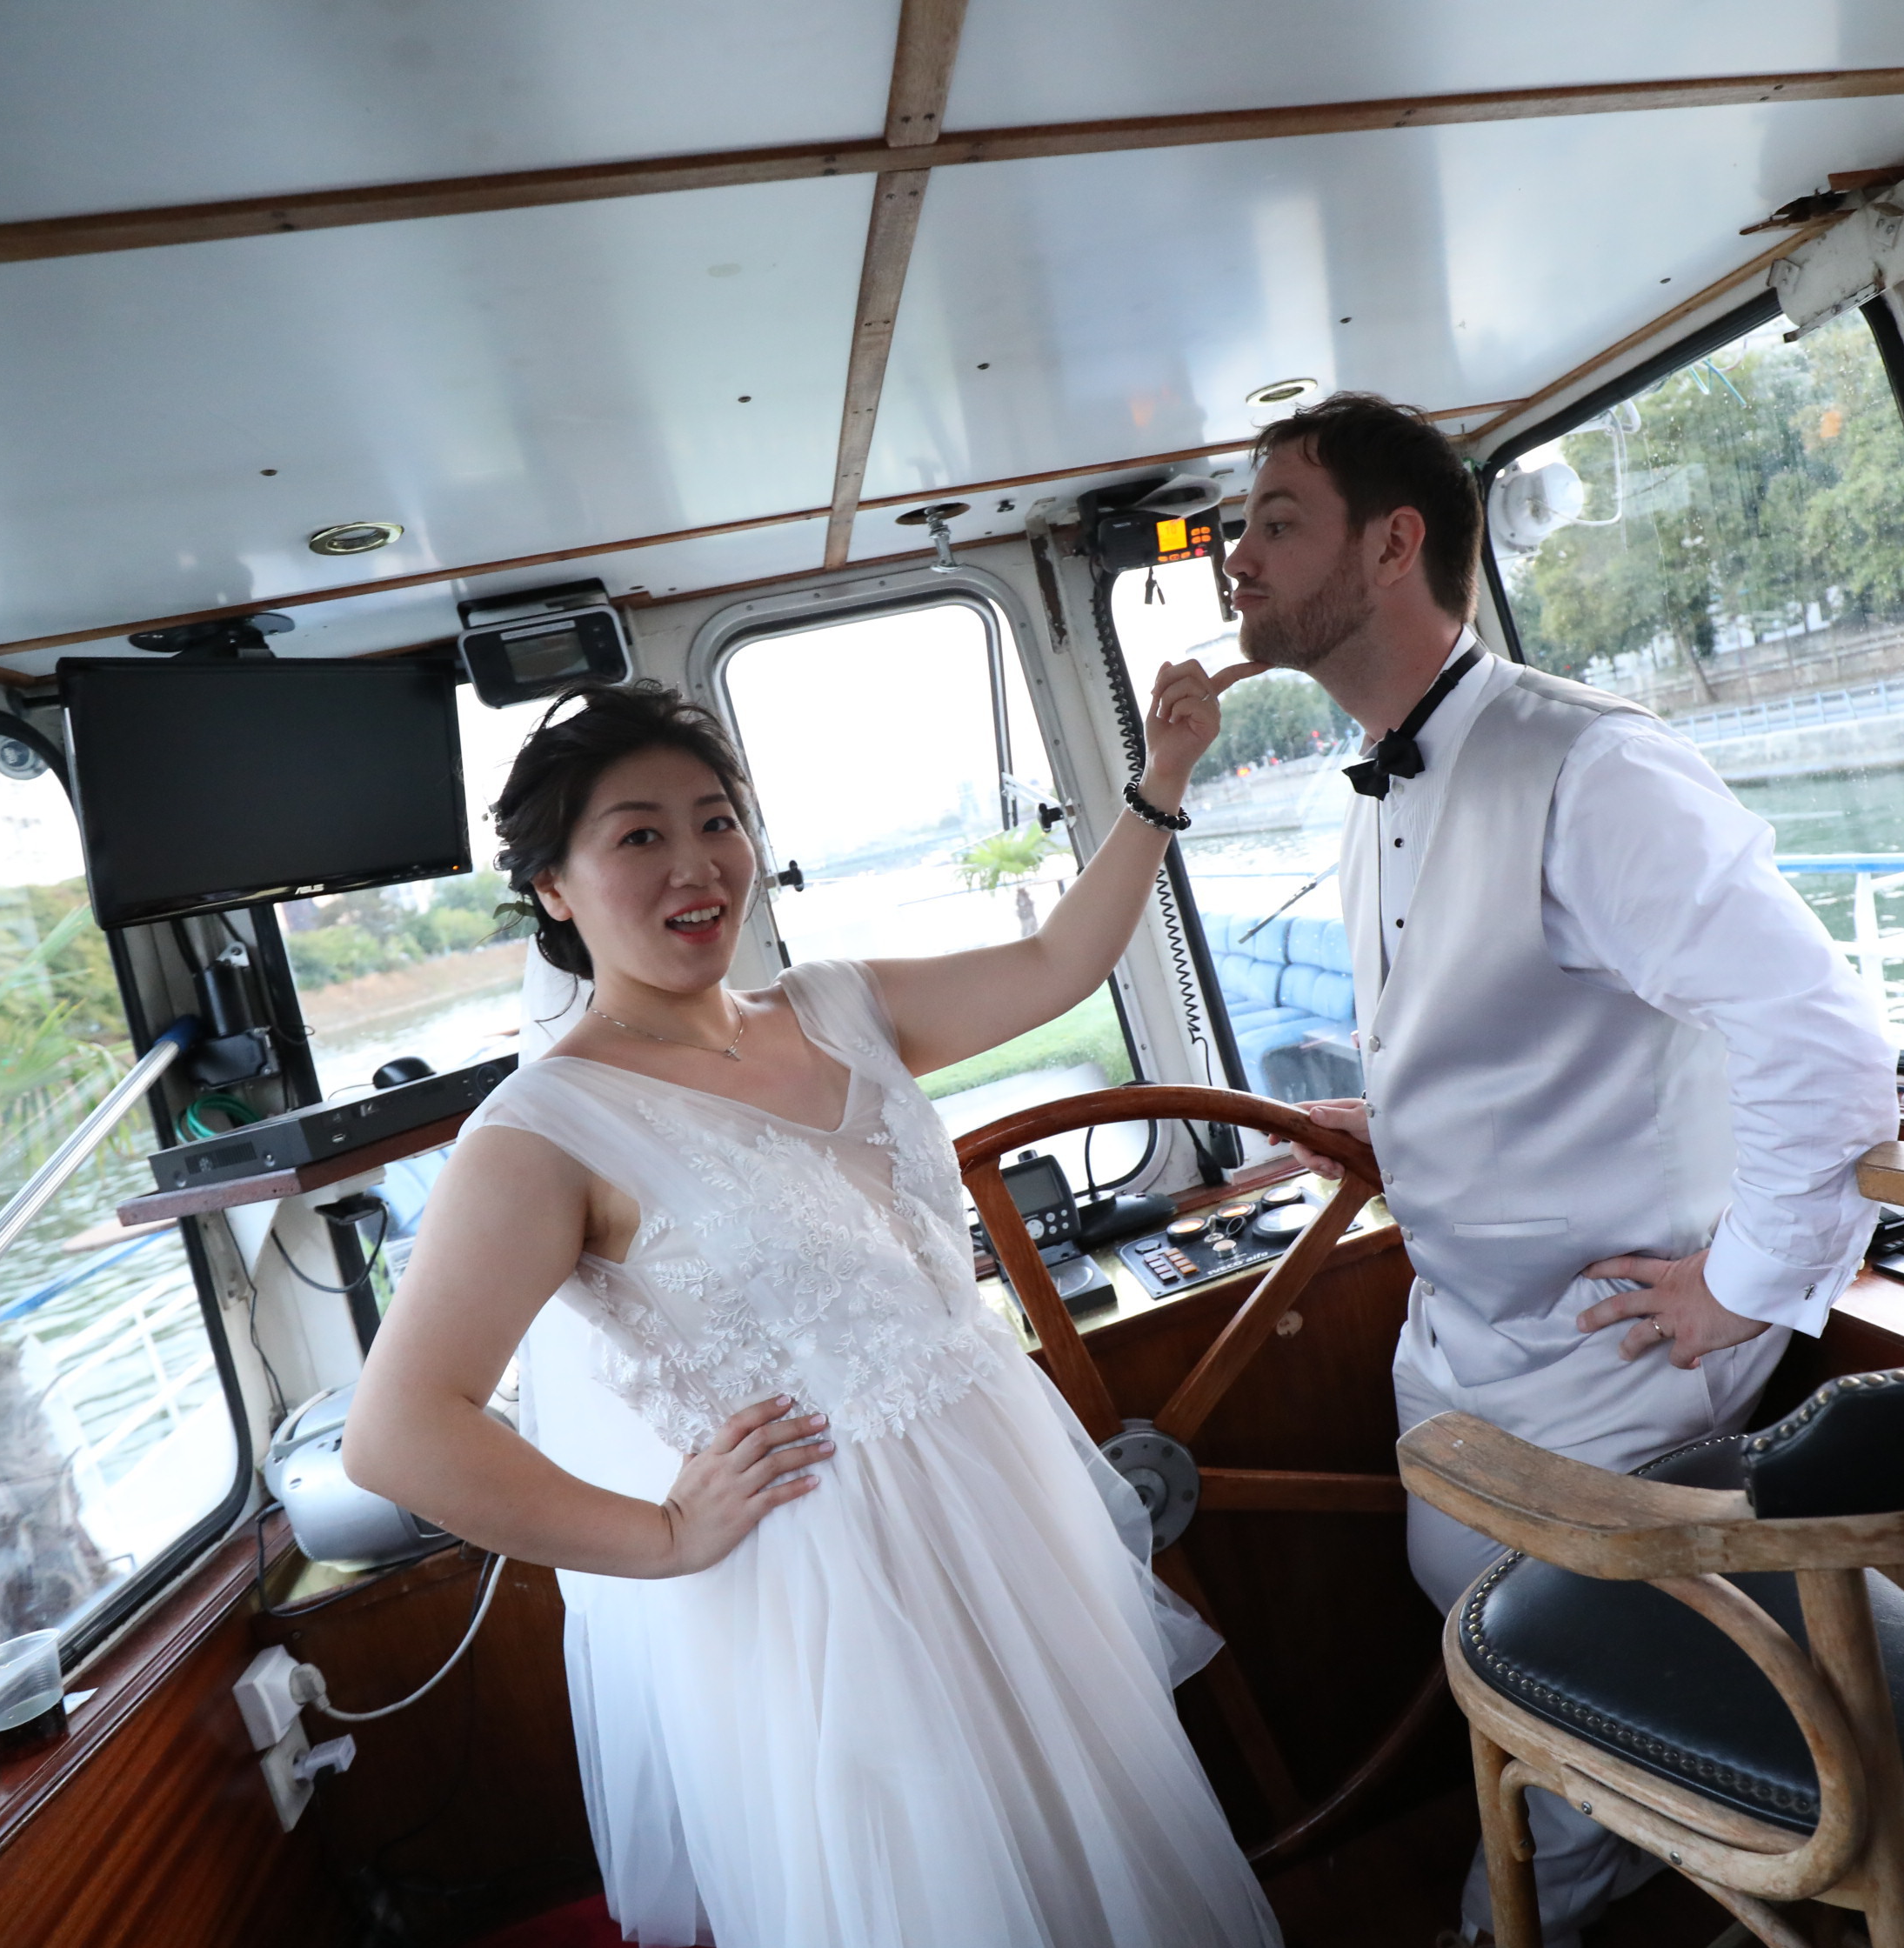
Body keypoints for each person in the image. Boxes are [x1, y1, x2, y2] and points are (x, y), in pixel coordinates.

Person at [343, 676, 1284, 1948]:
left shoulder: (842, 1005)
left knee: (1103, 1859)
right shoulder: (541, 1131)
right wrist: (664, 1534)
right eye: (639, 835)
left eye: (716, 820)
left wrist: (1162, 777)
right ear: (554, 888)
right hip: (829, 1585)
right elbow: (399, 1433)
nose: (697, 864)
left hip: (1005, 1501)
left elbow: (1061, 962)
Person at [1223, 394, 1901, 1947]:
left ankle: (1522, 1914)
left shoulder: (1588, 767)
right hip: (1462, 1342)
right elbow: (1507, 1027)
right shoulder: (1383, 780)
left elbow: (1820, 1043)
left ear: (1392, 545)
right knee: (1501, 1645)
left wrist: (1747, 1286)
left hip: (1618, 1349)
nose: (1234, 560)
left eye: (1275, 522)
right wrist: (1397, 1132)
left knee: (1556, 1682)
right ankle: (1594, 1859)